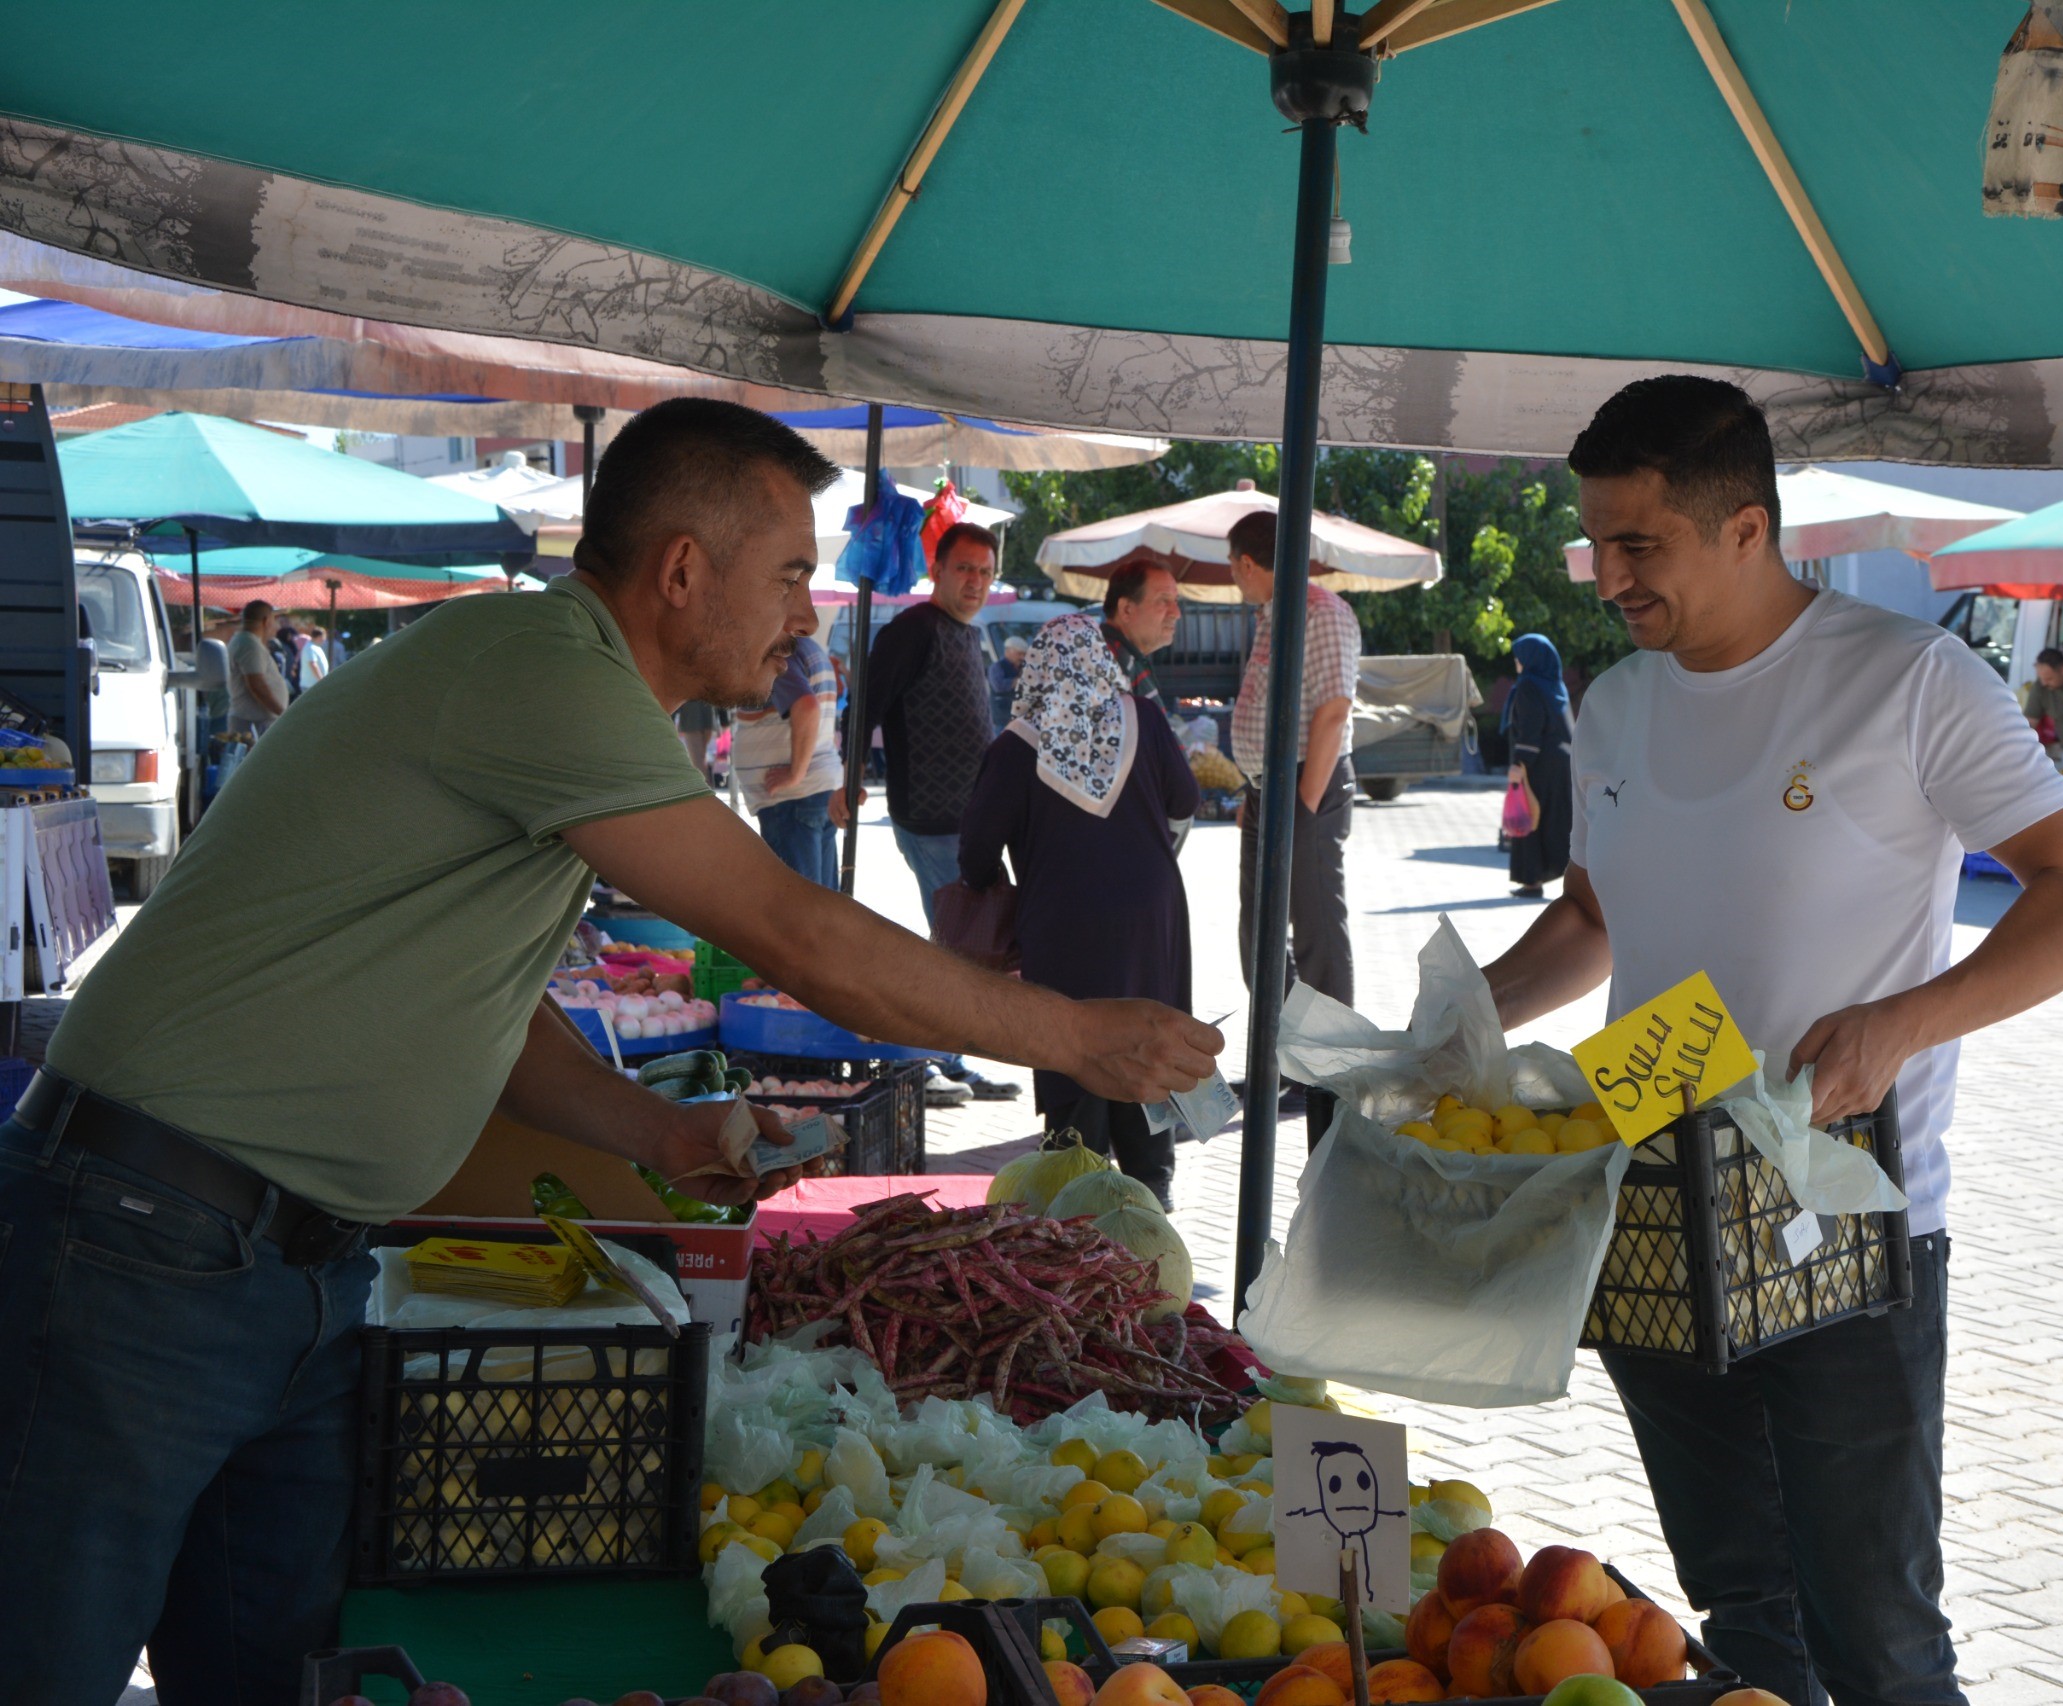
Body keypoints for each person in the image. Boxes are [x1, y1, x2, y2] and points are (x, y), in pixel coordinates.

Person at [0, 399, 1220, 1705]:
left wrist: (659, 1133)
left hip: (296, 1268)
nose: (807, 614)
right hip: (145, 1241)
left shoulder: (578, 695)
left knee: (268, 1678)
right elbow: (792, 930)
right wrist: (1079, 1031)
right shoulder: (547, 665)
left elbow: (485, 1003)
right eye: (792, 575)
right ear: (682, 571)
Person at [1482, 376, 2063, 1706]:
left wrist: (1906, 1021)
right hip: (1653, 1202)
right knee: (1744, 1611)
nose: (1608, 575)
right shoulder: (1613, 706)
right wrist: (1456, 1027)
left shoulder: (1904, 679)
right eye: (1598, 541)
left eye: (1638, 544)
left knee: (1881, 1643)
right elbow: (1596, 919)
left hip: (1846, 1213)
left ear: (1746, 527)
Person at [958, 617, 1199, 1208]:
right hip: (1151, 914)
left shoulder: (1018, 743)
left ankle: (1078, 1191)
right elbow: (1187, 799)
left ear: (1035, 670)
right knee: (1149, 1034)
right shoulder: (1143, 717)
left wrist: (998, 881)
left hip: (1065, 923)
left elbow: (975, 854)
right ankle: (1152, 1192)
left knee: (1069, 1042)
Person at [845, 520, 1020, 1102]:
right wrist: (847, 782)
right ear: (938, 570)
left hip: (969, 822)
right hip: (931, 816)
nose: (975, 581)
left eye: (985, 572)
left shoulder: (966, 633)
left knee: (965, 947)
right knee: (954, 950)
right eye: (965, 568)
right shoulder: (914, 629)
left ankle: (949, 1055)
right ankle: (937, 1060)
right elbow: (865, 704)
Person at [1228, 509, 1360, 1007]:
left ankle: (1330, 1076)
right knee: (1258, 935)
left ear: (1246, 562)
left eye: (1231, 564)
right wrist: (1256, 788)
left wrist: (1303, 806)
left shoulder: (1320, 611)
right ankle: (1284, 1066)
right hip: (1272, 787)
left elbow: (1333, 713)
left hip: (1309, 783)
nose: (1233, 576)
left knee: (1316, 933)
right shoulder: (1275, 613)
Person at [732, 634, 845, 888]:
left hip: (792, 800)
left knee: (800, 907)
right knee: (820, 902)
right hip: (810, 793)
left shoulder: (780, 650)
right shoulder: (808, 648)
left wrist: (795, 774)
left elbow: (806, 707)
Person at [1503, 633, 1574, 899]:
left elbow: (1530, 729)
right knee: (1557, 821)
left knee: (1529, 819)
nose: (1517, 662)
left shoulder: (1529, 686)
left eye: (1519, 657)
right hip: (1561, 763)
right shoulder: (1556, 686)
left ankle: (1532, 881)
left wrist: (1520, 764)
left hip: (1538, 764)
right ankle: (1568, 877)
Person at [1100, 560, 1185, 720]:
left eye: (1175, 601)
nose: (1176, 613)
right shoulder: (1110, 661)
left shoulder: (1124, 658)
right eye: (1163, 600)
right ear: (1126, 609)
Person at [224, 598, 287, 736]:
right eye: (274, 620)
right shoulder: (249, 644)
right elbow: (257, 685)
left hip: (255, 721)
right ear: (266, 621)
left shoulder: (246, 641)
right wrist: (283, 714)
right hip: (254, 724)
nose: (276, 626)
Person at [675, 699, 723, 781]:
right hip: (706, 715)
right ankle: (706, 789)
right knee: (700, 760)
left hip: (691, 719)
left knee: (698, 762)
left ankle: (704, 790)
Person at [989, 635, 1030, 728]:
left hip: (1020, 717)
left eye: (1024, 654)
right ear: (1008, 651)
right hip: (1003, 718)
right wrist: (1019, 681)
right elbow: (998, 686)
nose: (1022, 658)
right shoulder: (997, 667)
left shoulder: (1023, 667)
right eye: (1019, 654)